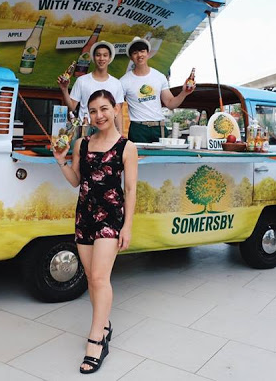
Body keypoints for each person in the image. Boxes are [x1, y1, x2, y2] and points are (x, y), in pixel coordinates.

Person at [53, 90, 137, 374]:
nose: (98, 115)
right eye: (93, 110)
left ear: (115, 109)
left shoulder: (127, 147)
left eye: (104, 109)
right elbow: (76, 180)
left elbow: (130, 190)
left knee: (101, 278)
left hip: (111, 218)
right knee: (91, 278)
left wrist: (127, 226)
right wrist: (61, 161)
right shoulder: (82, 144)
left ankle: (96, 340)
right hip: (85, 216)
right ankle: (104, 324)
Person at [120, 37, 196, 143]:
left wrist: (184, 93)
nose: (139, 55)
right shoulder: (124, 81)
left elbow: (170, 103)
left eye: (142, 51)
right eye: (135, 53)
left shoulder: (159, 77)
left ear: (148, 53)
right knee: (138, 154)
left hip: (159, 127)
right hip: (138, 128)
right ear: (131, 57)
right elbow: (117, 108)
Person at [57, 41, 124, 132]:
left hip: (107, 131)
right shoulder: (82, 80)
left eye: (105, 55)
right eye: (98, 55)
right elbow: (72, 107)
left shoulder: (116, 83)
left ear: (109, 58)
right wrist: (64, 90)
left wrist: (120, 134)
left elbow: (118, 112)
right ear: (93, 58)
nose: (101, 58)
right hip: (85, 129)